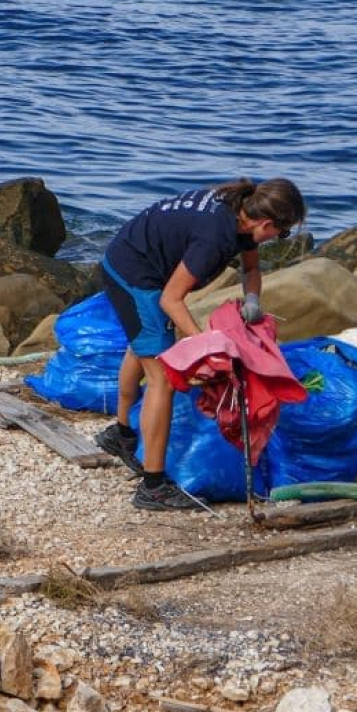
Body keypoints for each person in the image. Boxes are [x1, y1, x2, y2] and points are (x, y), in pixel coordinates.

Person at [94, 177, 306, 510]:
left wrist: (252, 300)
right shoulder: (215, 236)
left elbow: (250, 268)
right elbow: (171, 299)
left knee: (144, 346)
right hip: (134, 274)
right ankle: (153, 487)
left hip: (133, 257)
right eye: (282, 233)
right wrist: (205, 344)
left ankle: (120, 435)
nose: (278, 240)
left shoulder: (239, 214)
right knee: (161, 376)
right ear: (266, 224)